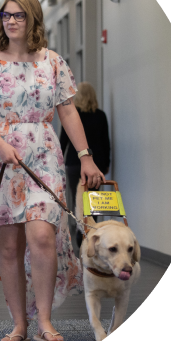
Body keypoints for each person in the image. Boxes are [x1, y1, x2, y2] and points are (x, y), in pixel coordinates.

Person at [0, 0, 105, 341]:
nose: (10, 21)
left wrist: (85, 156)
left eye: (18, 16)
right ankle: (19, 324)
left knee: (43, 236)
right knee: (10, 248)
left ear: (33, 20)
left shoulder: (53, 62)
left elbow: (68, 111)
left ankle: (45, 320)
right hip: (0, 160)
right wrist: (1, 145)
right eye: (5, 15)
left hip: (43, 156)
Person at [60, 82, 111, 248]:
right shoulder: (101, 115)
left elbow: (63, 141)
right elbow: (105, 142)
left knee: (78, 201)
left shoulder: (73, 116)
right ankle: (92, 236)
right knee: (94, 203)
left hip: (74, 164)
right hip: (96, 165)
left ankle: (80, 235)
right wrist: (106, 164)